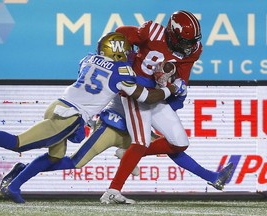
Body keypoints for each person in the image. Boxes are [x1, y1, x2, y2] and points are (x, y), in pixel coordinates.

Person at [0, 32, 185, 203]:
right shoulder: (123, 72)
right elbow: (147, 97)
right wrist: (171, 89)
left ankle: (14, 185)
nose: (130, 54)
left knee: (55, 156)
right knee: (19, 143)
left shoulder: (87, 59)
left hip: (59, 106)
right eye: (126, 50)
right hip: (69, 116)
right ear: (118, 51)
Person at [99, 10, 234, 204]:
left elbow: (182, 78)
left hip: (156, 94)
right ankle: (112, 191)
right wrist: (126, 63)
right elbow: (120, 34)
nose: (189, 47)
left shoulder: (194, 49)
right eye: (185, 42)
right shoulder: (151, 31)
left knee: (179, 142)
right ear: (172, 33)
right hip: (135, 91)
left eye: (192, 42)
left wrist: (177, 87)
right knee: (141, 141)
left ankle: (130, 154)